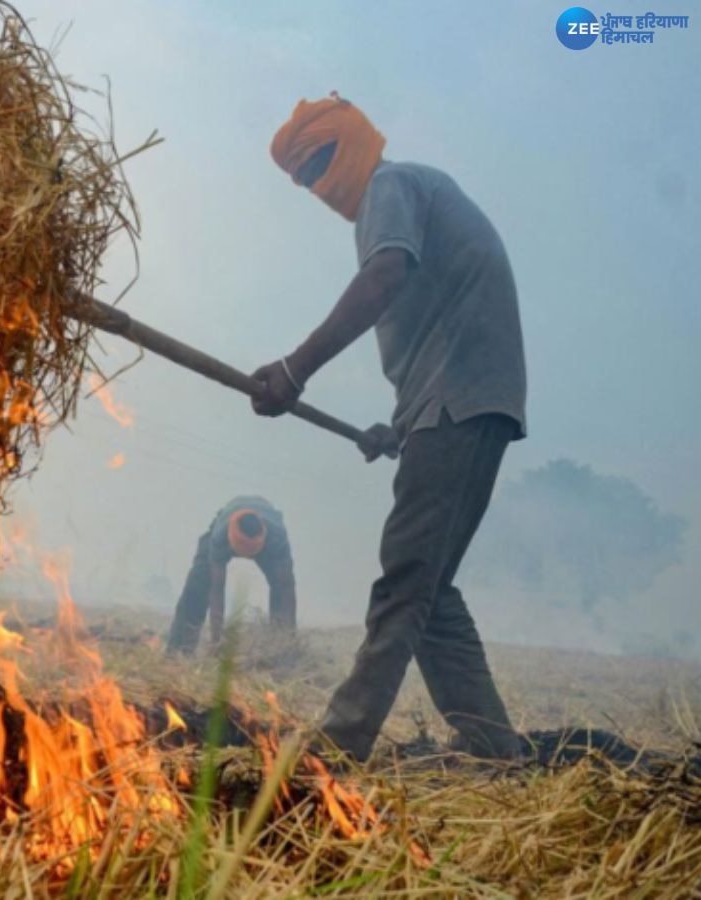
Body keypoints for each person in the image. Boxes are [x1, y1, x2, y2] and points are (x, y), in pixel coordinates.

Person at [251, 93, 527, 761]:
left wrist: (296, 367)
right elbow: (439, 326)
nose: (319, 185)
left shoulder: (390, 185)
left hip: (457, 406)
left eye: (320, 162)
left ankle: (338, 745)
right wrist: (398, 429)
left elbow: (384, 278)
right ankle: (496, 749)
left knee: (405, 578)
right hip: (452, 408)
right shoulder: (410, 191)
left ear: (352, 142)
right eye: (305, 177)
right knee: (429, 590)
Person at [166, 496, 296, 654]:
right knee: (197, 585)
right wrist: (217, 641)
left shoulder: (276, 539)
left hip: (269, 539)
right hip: (225, 524)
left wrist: (289, 639)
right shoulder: (220, 537)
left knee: (281, 592)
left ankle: (281, 650)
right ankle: (179, 650)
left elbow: (287, 588)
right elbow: (216, 589)